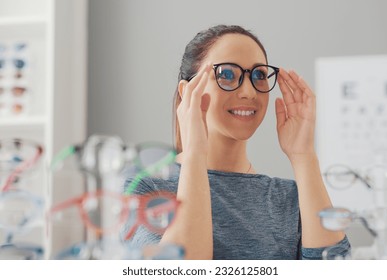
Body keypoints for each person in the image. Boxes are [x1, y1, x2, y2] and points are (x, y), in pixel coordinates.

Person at [125, 24, 350, 260]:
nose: (248, 92)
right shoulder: (145, 189)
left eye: (259, 75)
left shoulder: (290, 197)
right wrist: (195, 153)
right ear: (187, 91)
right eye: (227, 74)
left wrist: (304, 156)